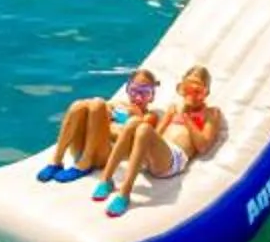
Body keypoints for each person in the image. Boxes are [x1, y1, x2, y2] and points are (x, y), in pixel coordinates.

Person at [94, 64, 225, 218]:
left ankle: (124, 193)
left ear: (206, 93)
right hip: (157, 154)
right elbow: (156, 134)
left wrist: (186, 118)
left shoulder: (211, 113)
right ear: (181, 89)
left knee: (143, 128)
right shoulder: (173, 108)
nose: (192, 95)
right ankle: (106, 179)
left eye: (198, 91)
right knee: (134, 123)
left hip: (175, 159)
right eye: (187, 90)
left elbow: (203, 146)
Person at [40, 69, 158, 182]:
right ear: (127, 89)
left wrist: (130, 116)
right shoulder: (117, 104)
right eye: (134, 90)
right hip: (82, 149)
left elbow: (137, 141)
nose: (138, 97)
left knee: (98, 103)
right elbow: (96, 112)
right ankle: (56, 160)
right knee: (79, 105)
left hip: (104, 156)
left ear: (152, 96)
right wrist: (105, 115)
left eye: (145, 93)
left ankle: (85, 164)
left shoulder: (149, 116)